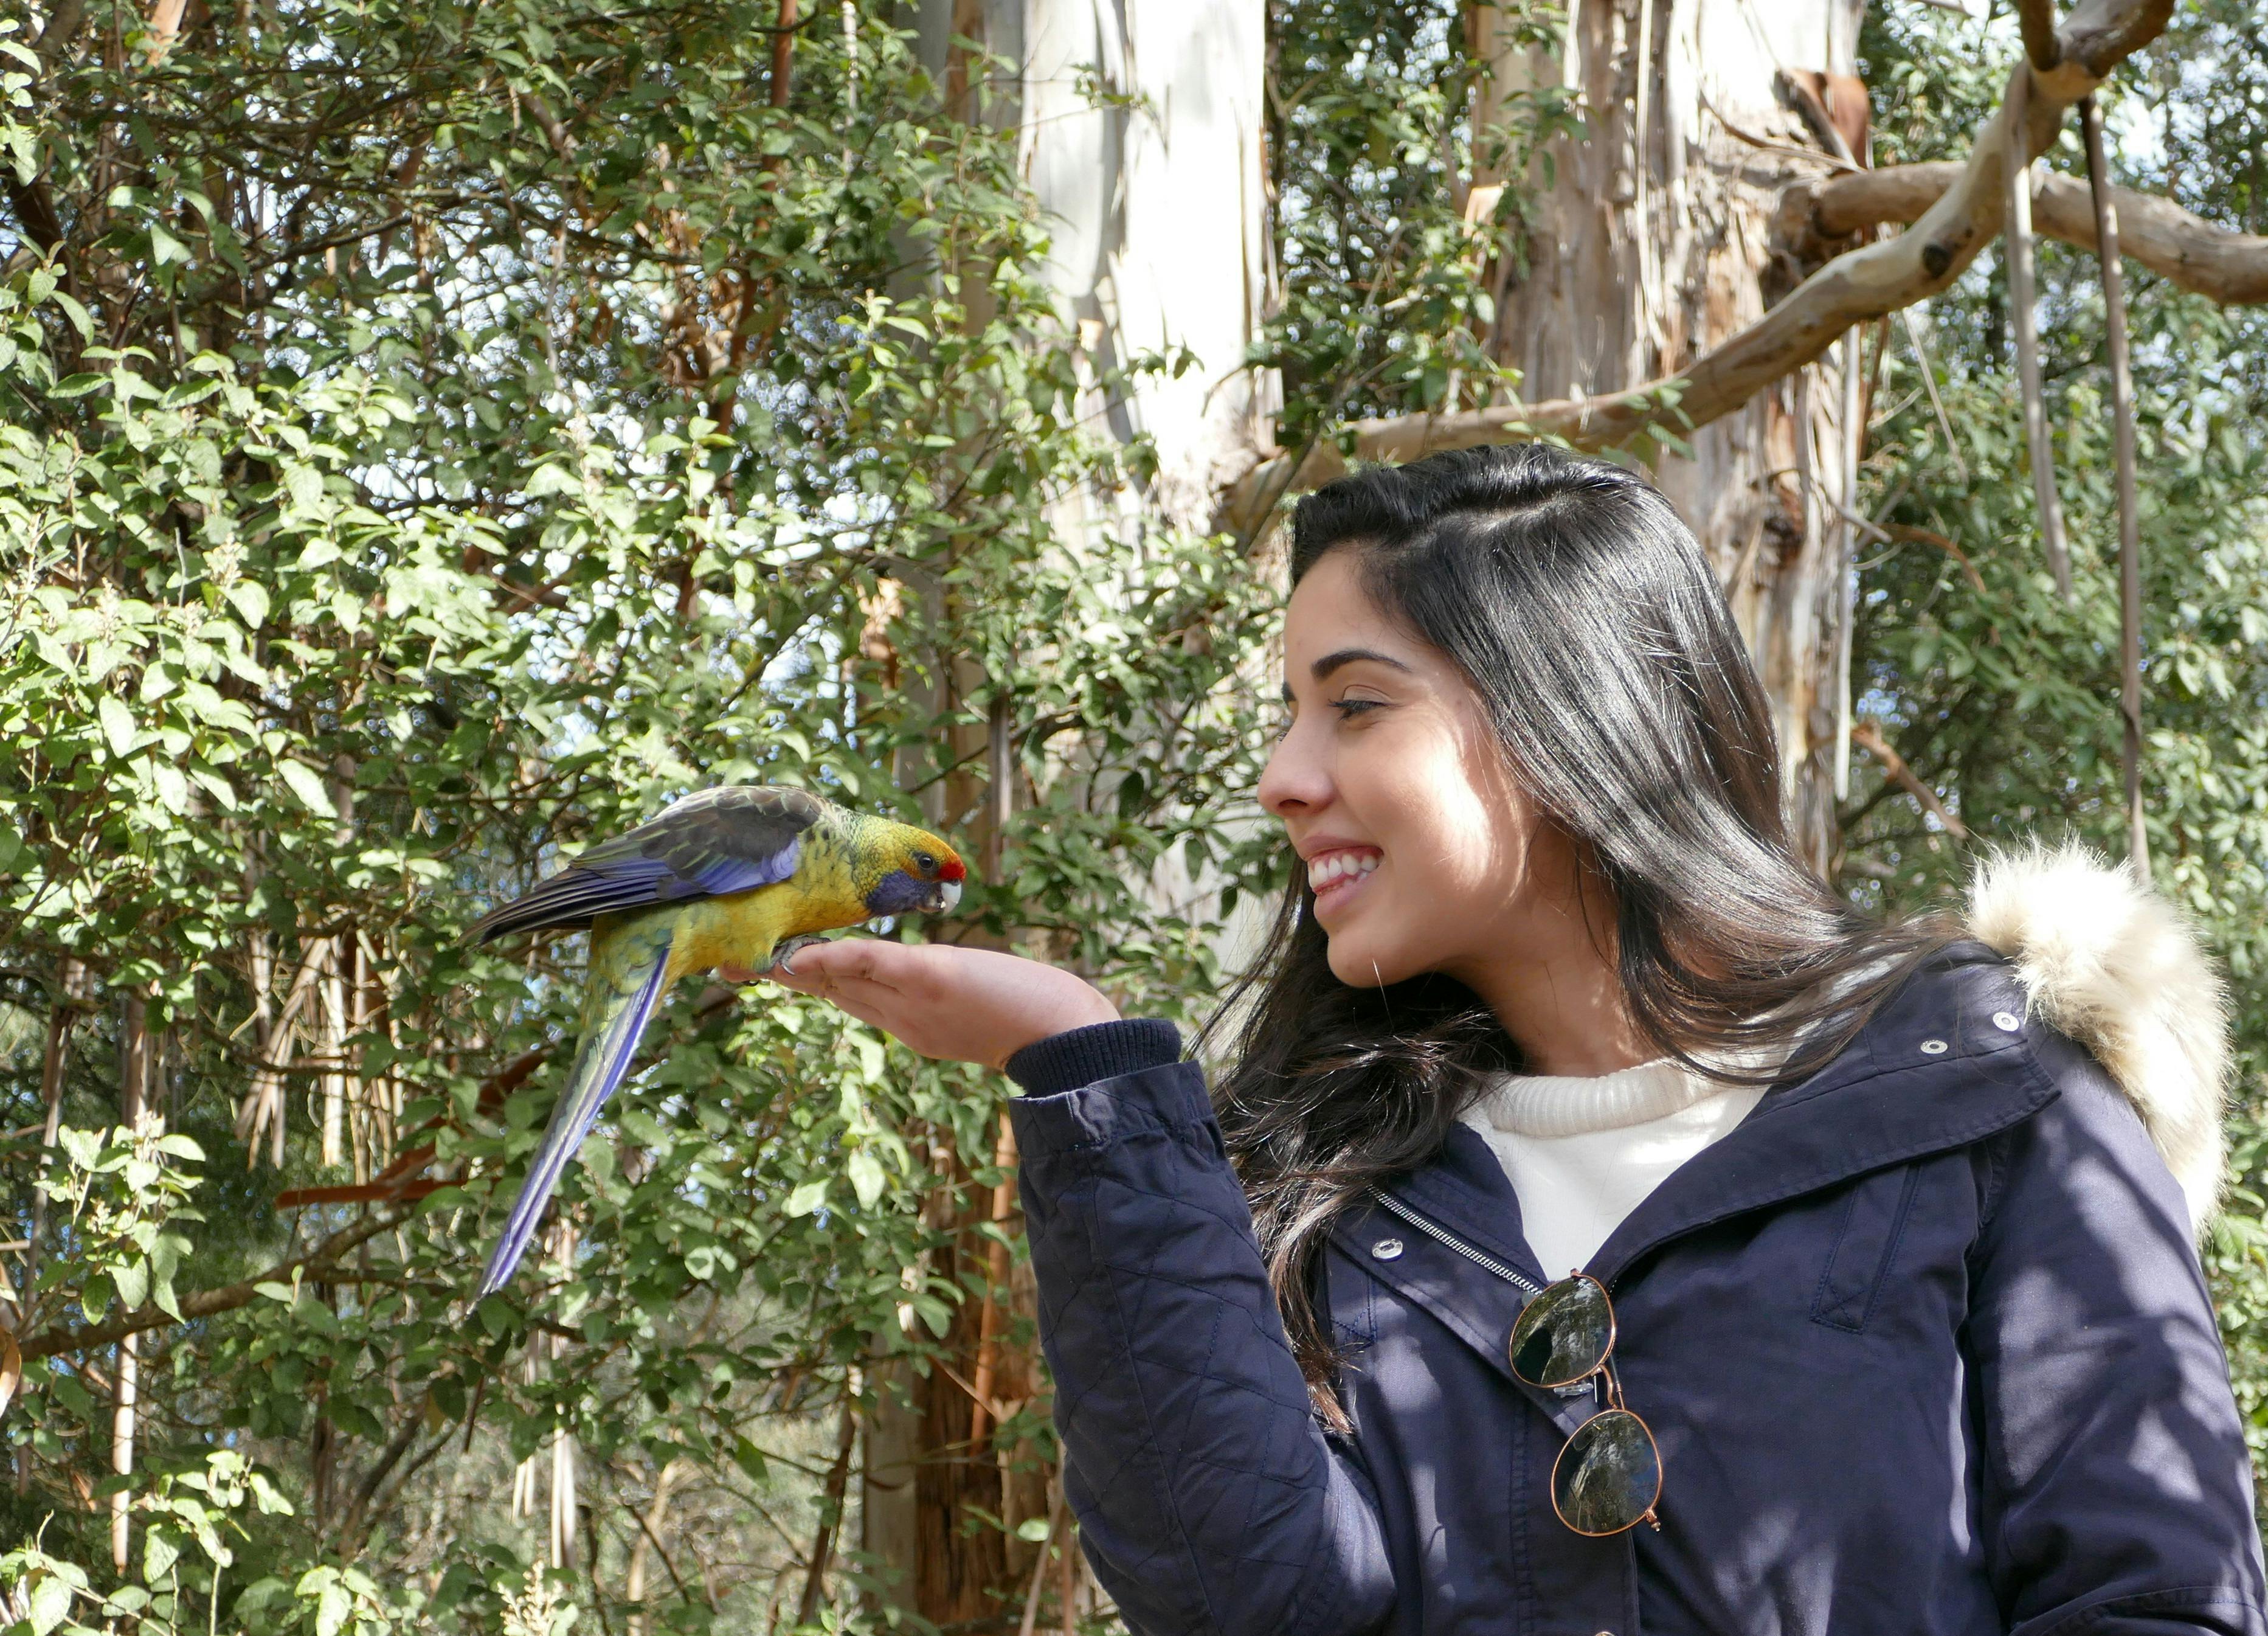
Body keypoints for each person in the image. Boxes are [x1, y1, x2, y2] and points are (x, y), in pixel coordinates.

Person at [753, 445, 2265, 1635]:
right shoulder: (1346, 1186)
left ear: (1565, 723)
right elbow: (1250, 1605)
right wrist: (1090, 1071)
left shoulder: (1989, 1100)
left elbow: (2153, 1597)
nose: (1282, 777)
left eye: (1353, 706)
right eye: (1288, 714)